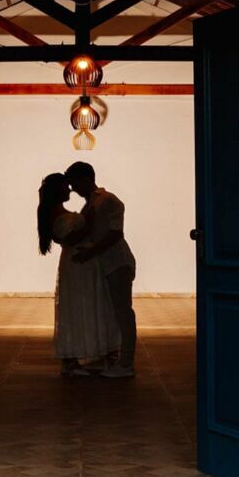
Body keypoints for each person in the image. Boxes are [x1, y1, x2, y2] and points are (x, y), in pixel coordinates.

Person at [36, 172, 118, 374]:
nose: (70, 189)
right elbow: (70, 238)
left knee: (85, 304)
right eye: (66, 186)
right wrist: (89, 220)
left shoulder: (57, 211)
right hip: (78, 263)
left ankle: (79, 356)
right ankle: (71, 360)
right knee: (77, 306)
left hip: (83, 262)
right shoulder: (56, 214)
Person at [64, 160, 136, 378]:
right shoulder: (92, 203)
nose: (72, 189)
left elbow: (116, 233)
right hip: (106, 265)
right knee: (114, 312)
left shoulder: (108, 201)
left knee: (123, 313)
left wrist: (90, 252)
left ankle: (126, 364)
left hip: (117, 263)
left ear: (85, 179)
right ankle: (114, 358)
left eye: (74, 183)